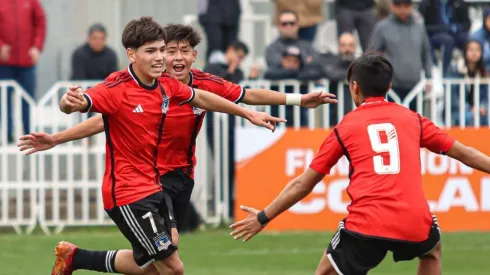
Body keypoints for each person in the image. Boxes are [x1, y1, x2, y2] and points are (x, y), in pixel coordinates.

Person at [19, 23, 335, 275]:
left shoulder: (182, 86)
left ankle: (77, 258)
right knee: (170, 260)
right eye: (167, 51)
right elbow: (100, 116)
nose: (173, 57)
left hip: (180, 177)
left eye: (183, 51)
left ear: (194, 55)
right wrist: (63, 122)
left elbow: (238, 95)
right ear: (139, 54)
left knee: (153, 265)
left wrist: (277, 105)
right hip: (146, 182)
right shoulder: (126, 87)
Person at [230, 53, 490, 275]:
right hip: (412, 221)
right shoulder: (414, 119)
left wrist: (264, 217)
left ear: (354, 87)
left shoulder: (346, 126)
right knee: (431, 249)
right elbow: (464, 153)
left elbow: (303, 184)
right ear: (389, 87)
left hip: (366, 225)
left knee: (325, 272)